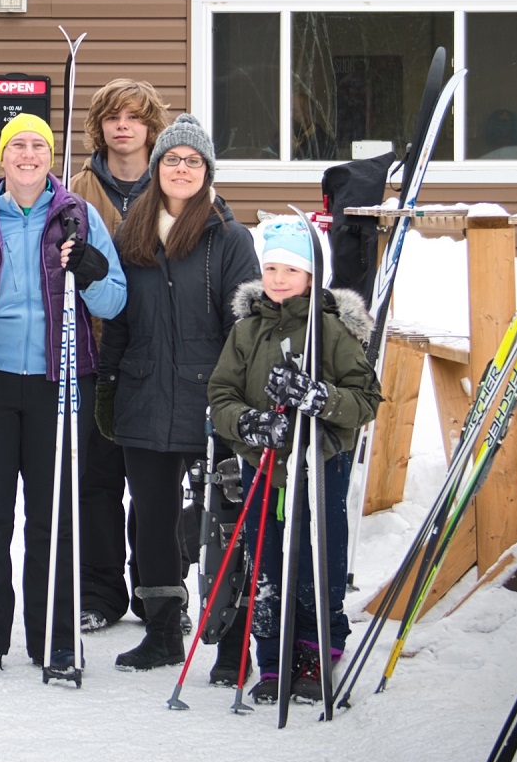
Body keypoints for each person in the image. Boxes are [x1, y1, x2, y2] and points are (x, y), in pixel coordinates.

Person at [0, 113, 126, 676]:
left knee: (54, 511)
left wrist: (89, 272)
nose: (30, 155)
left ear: (51, 154)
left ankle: (56, 641)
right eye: (19, 146)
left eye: (40, 145)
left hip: (59, 381)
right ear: (2, 156)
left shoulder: (78, 217)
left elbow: (113, 302)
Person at [95, 113, 260, 670]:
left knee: (220, 520)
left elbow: (247, 326)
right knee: (153, 518)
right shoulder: (131, 234)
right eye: (172, 159)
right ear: (157, 168)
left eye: (193, 161)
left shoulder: (228, 239)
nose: (182, 169)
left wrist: (239, 401)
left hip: (210, 401)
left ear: (207, 172)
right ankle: (162, 632)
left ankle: (232, 642)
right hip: (142, 396)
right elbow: (117, 318)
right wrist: (108, 383)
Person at [208, 217, 380, 703]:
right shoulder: (247, 330)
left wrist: (319, 397)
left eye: (290, 269)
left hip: (320, 460)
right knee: (266, 561)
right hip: (263, 461)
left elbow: (365, 399)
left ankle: (313, 651)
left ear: (311, 275)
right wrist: (249, 423)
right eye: (270, 268)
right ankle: (269, 659)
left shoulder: (331, 329)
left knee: (314, 557)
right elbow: (221, 394)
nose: (278, 279)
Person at [67, 78, 169, 633]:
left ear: (150, 126)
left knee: (153, 486)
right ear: (99, 126)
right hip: (95, 351)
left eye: (134, 117)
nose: (122, 126)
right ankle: (101, 592)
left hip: (157, 355)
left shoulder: (176, 181)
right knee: (98, 480)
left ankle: (157, 592)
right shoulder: (75, 190)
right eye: (113, 117)